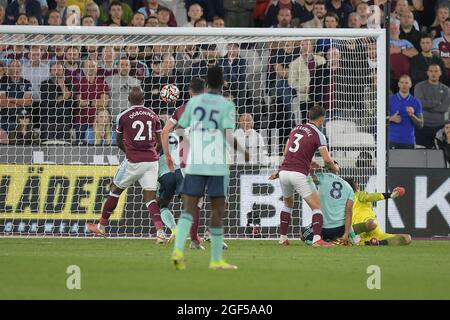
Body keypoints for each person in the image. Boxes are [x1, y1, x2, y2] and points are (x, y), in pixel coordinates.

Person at [170, 66, 248, 270]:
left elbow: (178, 129)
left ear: (207, 84)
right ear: (222, 84)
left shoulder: (194, 102)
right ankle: (216, 260)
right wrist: (244, 151)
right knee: (217, 210)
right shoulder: (226, 105)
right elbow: (228, 136)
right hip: (216, 163)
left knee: (189, 207)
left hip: (195, 162)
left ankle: (178, 249)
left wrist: (190, 141)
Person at [87, 87, 166, 240]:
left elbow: (118, 142)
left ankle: (101, 227)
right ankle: (160, 232)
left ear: (128, 100)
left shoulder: (123, 116)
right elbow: (160, 141)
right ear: (144, 100)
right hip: (151, 161)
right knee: (150, 197)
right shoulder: (153, 115)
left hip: (133, 161)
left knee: (115, 190)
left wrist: (130, 152)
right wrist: (153, 153)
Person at [269, 105, 340, 247]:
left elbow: (286, 152)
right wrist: (335, 168)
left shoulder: (296, 129)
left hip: (284, 172)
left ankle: (283, 238)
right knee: (317, 206)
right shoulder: (318, 134)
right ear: (321, 120)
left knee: (288, 204)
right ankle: (317, 239)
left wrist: (309, 161)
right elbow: (327, 160)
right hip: (299, 174)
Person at [159, 78, 206, 248]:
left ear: (189, 91)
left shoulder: (180, 110)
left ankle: (192, 237)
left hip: (184, 159)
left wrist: (167, 156)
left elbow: (164, 132)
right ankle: (195, 238)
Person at [345, 177, 412, 246]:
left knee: (407, 238)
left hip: (375, 233)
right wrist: (390, 195)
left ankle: (372, 243)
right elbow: (368, 197)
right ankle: (355, 239)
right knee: (372, 223)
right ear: (356, 186)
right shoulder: (358, 194)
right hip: (362, 228)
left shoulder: (345, 201)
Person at [300, 169, 356, 246]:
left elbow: (307, 179)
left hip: (323, 229)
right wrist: (346, 234)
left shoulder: (323, 176)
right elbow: (348, 212)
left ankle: (323, 242)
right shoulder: (349, 187)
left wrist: (310, 170)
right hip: (340, 229)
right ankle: (353, 238)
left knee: (303, 234)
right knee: (346, 214)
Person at [414, 64, 450, 148]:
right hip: (422, 127)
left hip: (439, 127)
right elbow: (419, 104)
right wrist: (437, 102)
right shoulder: (419, 86)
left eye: (436, 71)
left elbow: (444, 108)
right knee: (421, 154)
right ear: (427, 73)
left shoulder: (446, 90)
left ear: (440, 73)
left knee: (439, 155)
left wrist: (427, 106)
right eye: (431, 71)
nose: (433, 73)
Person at [389, 75, 424, 149]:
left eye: (406, 83)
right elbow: (379, 120)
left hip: (408, 141)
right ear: (398, 84)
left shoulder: (416, 101)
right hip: (392, 140)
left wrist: (412, 115)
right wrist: (391, 118)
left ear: (410, 85)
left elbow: (420, 124)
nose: (404, 85)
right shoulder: (390, 100)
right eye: (402, 82)